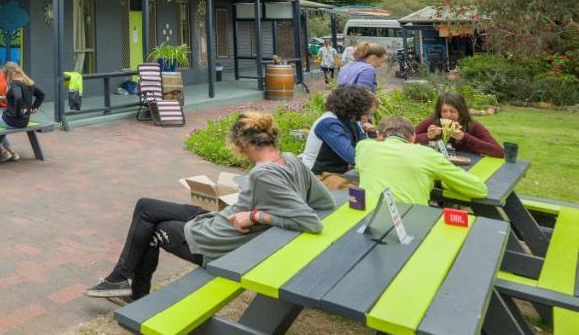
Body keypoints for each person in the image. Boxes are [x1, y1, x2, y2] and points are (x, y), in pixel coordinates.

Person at [86, 111, 334, 301]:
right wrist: (261, 210)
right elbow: (326, 202)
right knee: (145, 207)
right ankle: (121, 281)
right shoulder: (292, 161)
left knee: (155, 227)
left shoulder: (264, 175)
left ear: (244, 143)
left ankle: (130, 290)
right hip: (223, 220)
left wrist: (257, 215)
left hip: (221, 241)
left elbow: (309, 221)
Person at [355, 117, 488, 204]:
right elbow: (479, 190)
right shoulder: (427, 155)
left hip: (368, 216)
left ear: (380, 136)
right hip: (411, 220)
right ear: (413, 137)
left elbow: (359, 168)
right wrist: (440, 181)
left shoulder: (364, 146)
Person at [298, 83, 376, 188]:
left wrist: (372, 134)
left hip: (337, 172)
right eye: (366, 113)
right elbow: (353, 157)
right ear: (354, 109)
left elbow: (364, 145)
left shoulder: (350, 119)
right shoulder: (329, 123)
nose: (368, 118)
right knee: (360, 193)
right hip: (317, 176)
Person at [0, 61, 45, 163]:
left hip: (12, 121)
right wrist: (34, 107)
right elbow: (41, 95)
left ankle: (1, 149)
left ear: (9, 73)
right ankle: (4, 149)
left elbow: (18, 97)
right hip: (24, 121)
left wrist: (18, 112)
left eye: (5, 75)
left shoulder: (14, 84)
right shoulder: (28, 83)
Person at [414, 92, 503, 158]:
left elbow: (499, 152)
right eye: (444, 111)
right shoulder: (432, 122)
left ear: (461, 111)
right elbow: (405, 140)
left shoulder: (473, 126)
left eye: (453, 111)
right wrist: (427, 136)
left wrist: (465, 138)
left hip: (468, 169)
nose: (448, 115)